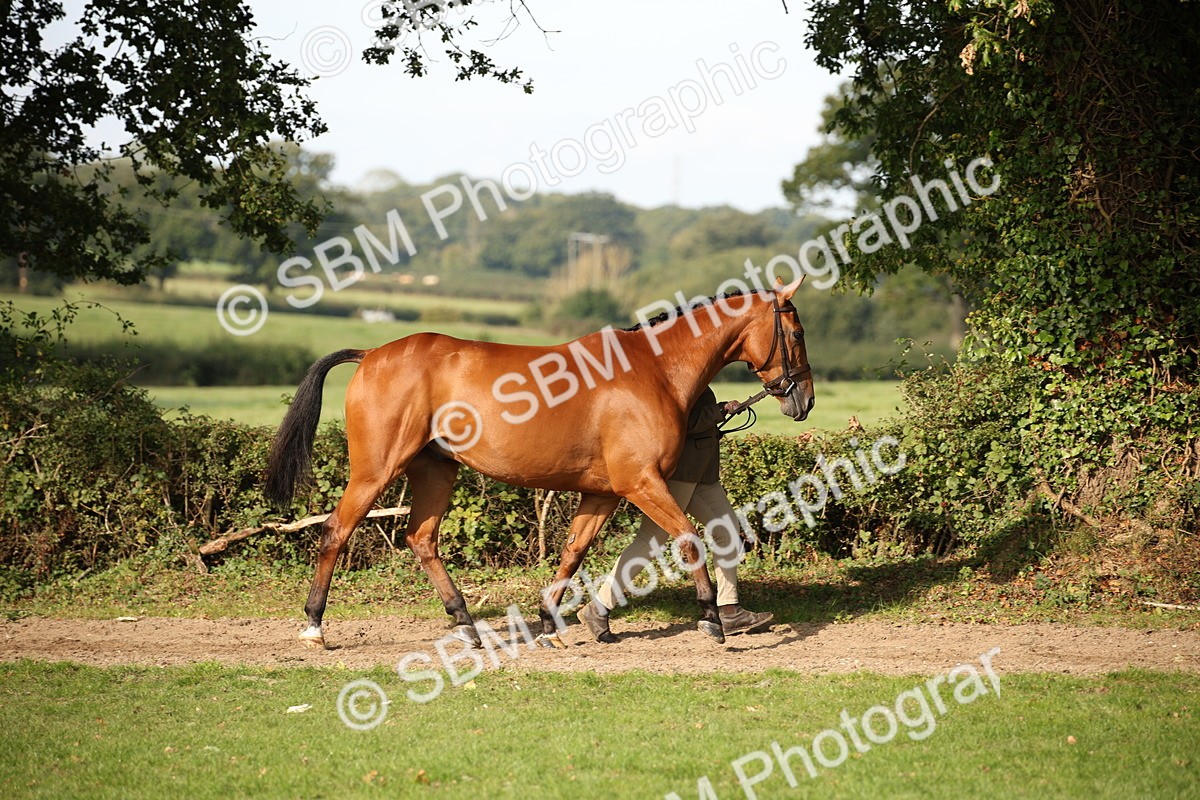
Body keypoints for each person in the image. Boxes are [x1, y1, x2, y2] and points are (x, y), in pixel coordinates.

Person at [578, 387, 774, 642]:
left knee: (727, 532)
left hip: (704, 475)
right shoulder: (683, 381)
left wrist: (720, 412)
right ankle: (598, 607)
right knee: (650, 542)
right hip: (681, 474)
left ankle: (729, 610)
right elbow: (680, 421)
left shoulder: (700, 381)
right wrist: (718, 411)